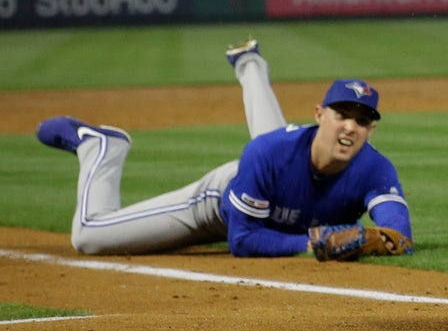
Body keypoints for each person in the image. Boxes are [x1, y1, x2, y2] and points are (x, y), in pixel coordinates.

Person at [35, 38, 414, 259]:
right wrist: (313, 242)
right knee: (89, 237)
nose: (351, 126)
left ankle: (249, 61)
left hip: (278, 171)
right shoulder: (270, 154)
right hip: (217, 207)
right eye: (342, 114)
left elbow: (399, 235)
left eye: (362, 120)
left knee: (275, 147)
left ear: (371, 129)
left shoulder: (375, 168)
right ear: (320, 114)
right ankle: (102, 148)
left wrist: (379, 242)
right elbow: (242, 238)